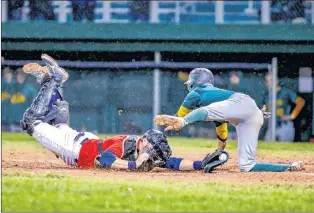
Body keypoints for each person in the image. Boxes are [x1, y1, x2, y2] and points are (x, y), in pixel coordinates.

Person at [20, 55, 229, 172]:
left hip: (81, 141)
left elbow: (172, 162)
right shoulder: (128, 146)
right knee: (30, 122)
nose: (152, 157)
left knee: (56, 124)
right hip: (75, 148)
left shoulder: (145, 152)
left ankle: (49, 86)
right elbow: (105, 159)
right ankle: (52, 81)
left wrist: (200, 164)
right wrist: (133, 165)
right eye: (150, 151)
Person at [154, 68, 304, 172]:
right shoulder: (218, 102)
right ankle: (289, 166)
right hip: (253, 113)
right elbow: (221, 126)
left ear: (194, 82)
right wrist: (220, 150)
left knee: (202, 111)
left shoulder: (196, 92)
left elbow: (180, 116)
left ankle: (185, 122)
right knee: (247, 166)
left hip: (241, 103)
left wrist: (180, 122)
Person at [264, 73, 305, 142]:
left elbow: (301, 101)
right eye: (267, 81)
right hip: (272, 125)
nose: (269, 83)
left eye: (271, 80)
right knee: (268, 146)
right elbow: (267, 110)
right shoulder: (267, 95)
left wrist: (292, 116)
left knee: (284, 148)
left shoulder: (285, 91)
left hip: (284, 125)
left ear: (277, 81)